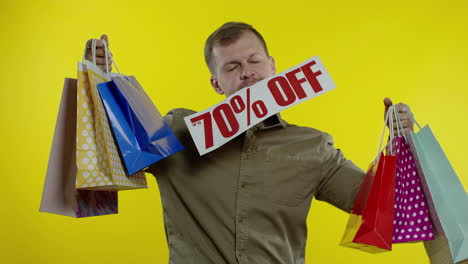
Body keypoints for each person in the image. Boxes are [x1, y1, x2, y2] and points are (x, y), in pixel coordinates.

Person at [84, 22, 443, 264]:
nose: (247, 73)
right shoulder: (178, 131)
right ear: (217, 84)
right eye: (232, 67)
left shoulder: (312, 146)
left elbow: (379, 203)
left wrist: (402, 142)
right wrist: (99, 80)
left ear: (272, 67)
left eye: (255, 61)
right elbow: (115, 153)